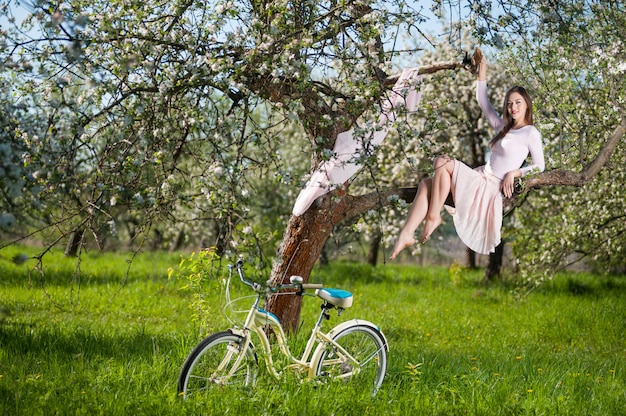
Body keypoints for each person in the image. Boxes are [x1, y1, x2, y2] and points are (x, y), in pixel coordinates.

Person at [390, 49, 545, 259]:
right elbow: (482, 101)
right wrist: (483, 68)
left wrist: (514, 173)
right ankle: (406, 234)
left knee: (442, 162)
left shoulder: (530, 132)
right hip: (479, 176)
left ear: (527, 104)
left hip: (489, 187)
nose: (513, 107)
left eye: (518, 102)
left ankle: (433, 217)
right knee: (427, 183)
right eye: (509, 103)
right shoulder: (503, 127)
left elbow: (539, 166)